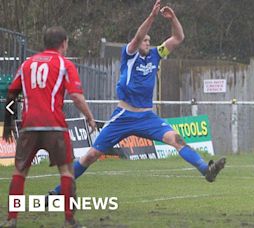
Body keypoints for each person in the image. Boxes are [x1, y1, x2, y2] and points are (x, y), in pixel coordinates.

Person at [48, 0, 226, 198]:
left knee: (177, 140)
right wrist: (152, 17)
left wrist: (173, 18)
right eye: (144, 41)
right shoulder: (129, 53)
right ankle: (58, 191)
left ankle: (206, 170)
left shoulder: (156, 54)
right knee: (91, 155)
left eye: (149, 41)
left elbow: (178, 37)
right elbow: (138, 35)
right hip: (124, 116)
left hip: (147, 117)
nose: (147, 43)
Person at [0, 26, 96, 228]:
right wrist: (89, 116)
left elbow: (11, 93)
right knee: (66, 172)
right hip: (55, 126)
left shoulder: (27, 64)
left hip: (29, 125)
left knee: (19, 172)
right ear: (63, 43)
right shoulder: (64, 64)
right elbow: (76, 97)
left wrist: (8, 122)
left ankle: (11, 219)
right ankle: (69, 220)